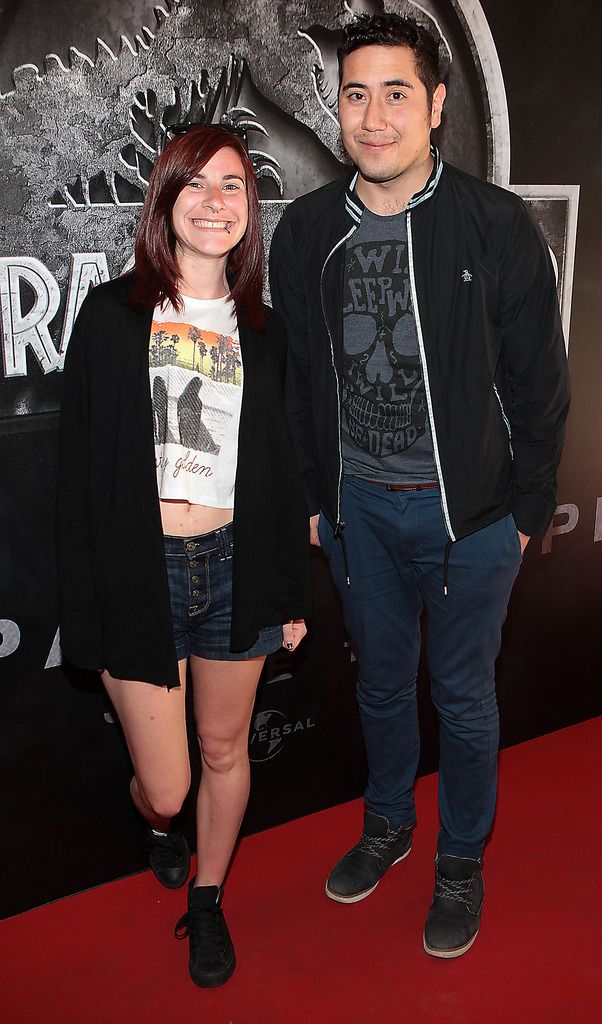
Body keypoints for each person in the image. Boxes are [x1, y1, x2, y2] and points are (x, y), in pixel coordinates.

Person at [270, 12, 569, 959]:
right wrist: (320, 504)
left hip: (471, 521)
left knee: (465, 698)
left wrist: (523, 515)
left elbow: (541, 384)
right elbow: (302, 385)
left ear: (437, 105)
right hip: (360, 516)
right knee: (384, 692)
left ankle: (459, 864)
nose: (373, 115)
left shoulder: (493, 223)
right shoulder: (308, 231)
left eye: (396, 92)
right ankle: (389, 826)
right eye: (355, 93)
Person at [56, 123, 311, 987]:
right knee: (167, 786)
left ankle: (207, 895)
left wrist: (289, 594)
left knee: (226, 750)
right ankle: (160, 825)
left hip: (237, 565)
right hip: (141, 570)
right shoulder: (110, 317)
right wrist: (84, 600)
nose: (215, 203)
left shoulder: (266, 333)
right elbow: (78, 477)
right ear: (164, 199)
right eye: (194, 184)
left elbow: (281, 475)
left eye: (234, 186)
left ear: (251, 208)